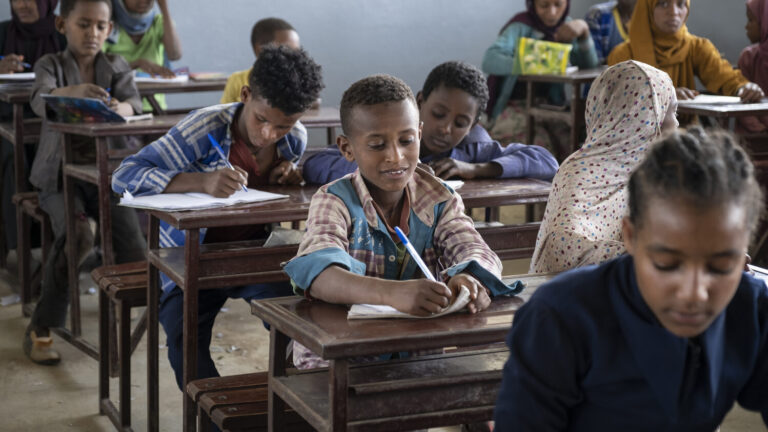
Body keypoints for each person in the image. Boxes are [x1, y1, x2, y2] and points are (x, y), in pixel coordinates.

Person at [494, 127, 768, 431]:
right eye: (666, 263)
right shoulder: (562, 317)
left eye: (721, 266)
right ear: (630, 236)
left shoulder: (752, 308)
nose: (695, 294)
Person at [111, 45, 324, 389]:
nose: (269, 134)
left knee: (300, 318)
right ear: (245, 95)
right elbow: (124, 175)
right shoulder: (202, 128)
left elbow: (283, 176)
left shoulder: (293, 139)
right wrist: (201, 181)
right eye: (262, 119)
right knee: (184, 339)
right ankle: (210, 419)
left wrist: (288, 172)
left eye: (283, 125)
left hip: (256, 251)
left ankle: (290, 402)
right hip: (188, 258)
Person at [284, 74, 521, 370]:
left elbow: (474, 248)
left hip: (416, 355)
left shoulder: (438, 197)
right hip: (339, 363)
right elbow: (319, 274)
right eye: (377, 145)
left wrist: (470, 279)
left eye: (406, 141)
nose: (396, 157)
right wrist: (392, 293)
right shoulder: (333, 200)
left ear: (419, 135)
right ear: (346, 148)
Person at [24, 0, 147, 365]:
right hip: (59, 176)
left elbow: (134, 105)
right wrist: (74, 95)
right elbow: (39, 99)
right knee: (79, 237)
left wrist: (113, 108)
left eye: (100, 26)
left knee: (133, 248)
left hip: (105, 174)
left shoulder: (115, 65)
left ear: (109, 30)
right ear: (62, 25)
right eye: (83, 24)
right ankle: (41, 326)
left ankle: (126, 320)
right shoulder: (52, 65)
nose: (92, 33)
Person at [302, 61, 559, 185]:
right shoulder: (384, 137)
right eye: (438, 114)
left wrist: (478, 169)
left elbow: (546, 161)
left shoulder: (472, 152)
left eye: (460, 122)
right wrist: (387, 170)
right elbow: (315, 164)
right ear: (420, 101)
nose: (446, 128)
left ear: (472, 125)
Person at [530, 60, 677, 274]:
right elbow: (560, 250)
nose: (677, 124)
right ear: (644, 120)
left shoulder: (650, 173)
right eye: (672, 112)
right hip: (572, 295)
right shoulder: (584, 170)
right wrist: (646, 256)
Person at [481, 0, 598, 153]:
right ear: (533, 5)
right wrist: (534, 64)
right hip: (516, 104)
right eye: (544, 5)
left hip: (551, 105)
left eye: (558, 5)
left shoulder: (567, 28)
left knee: (573, 147)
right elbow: (490, 60)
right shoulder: (520, 26)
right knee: (540, 149)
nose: (552, 12)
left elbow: (589, 65)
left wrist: (584, 33)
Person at [1, 0, 67, 255]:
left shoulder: (63, 34)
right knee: (12, 153)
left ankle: (60, 245)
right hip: (5, 119)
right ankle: (22, 248)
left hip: (51, 119)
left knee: (57, 151)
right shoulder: (3, 32)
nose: (23, 4)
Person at [607, 0, 765, 103]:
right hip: (637, 139)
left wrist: (744, 89)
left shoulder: (696, 47)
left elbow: (724, 77)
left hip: (686, 136)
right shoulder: (623, 55)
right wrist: (665, 95)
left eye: (681, 4)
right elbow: (617, 101)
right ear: (647, 8)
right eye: (663, 4)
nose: (674, 12)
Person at [103, 0, 182, 112]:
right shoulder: (106, 26)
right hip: (119, 108)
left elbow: (175, 54)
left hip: (155, 107)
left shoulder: (158, 22)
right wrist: (136, 64)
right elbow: (98, 67)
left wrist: (164, 6)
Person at [220, 17, 299, 104]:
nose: (294, 56)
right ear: (260, 49)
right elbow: (224, 113)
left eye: (297, 51)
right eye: (286, 49)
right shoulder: (237, 80)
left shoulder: (297, 79)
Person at [738, 0, 768, 133]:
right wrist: (761, 131)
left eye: (751, 20)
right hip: (753, 140)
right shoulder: (748, 57)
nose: (746, 27)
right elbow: (742, 107)